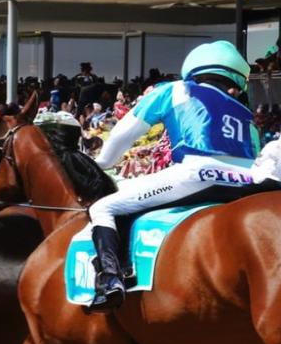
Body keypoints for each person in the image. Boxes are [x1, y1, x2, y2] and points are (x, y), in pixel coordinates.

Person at [86, 40, 261, 311]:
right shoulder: (245, 113)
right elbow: (255, 154)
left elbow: (123, 134)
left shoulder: (174, 89)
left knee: (103, 207)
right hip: (246, 181)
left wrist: (101, 163)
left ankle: (110, 280)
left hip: (196, 174)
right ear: (236, 83)